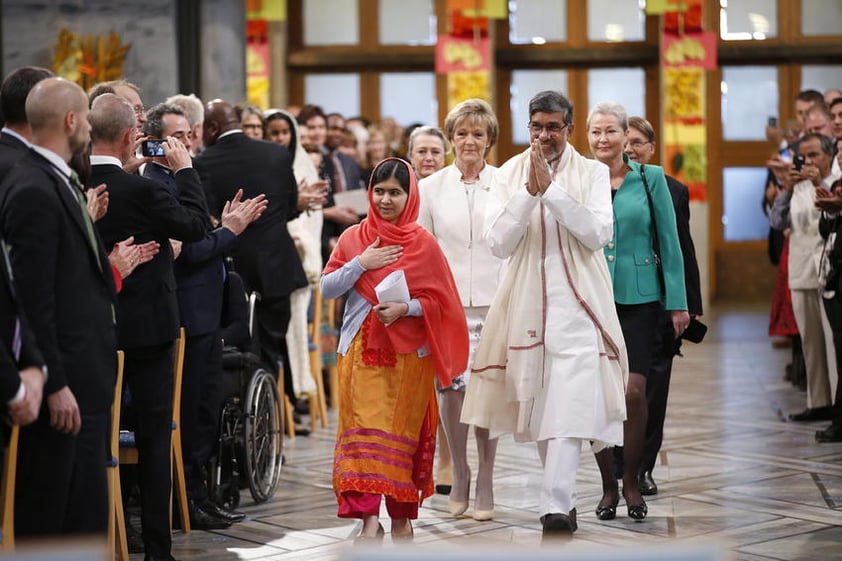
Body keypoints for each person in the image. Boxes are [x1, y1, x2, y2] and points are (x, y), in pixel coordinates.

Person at [461, 90, 628, 538]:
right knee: (536, 410)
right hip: (524, 303)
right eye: (537, 127)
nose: (545, 135)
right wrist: (527, 194)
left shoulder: (592, 172)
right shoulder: (510, 173)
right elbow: (497, 241)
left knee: (571, 406)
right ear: (528, 127)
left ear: (569, 130)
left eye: (554, 127)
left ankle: (554, 505)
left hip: (579, 306)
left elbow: (597, 233)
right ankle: (564, 500)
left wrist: (551, 193)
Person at [89, 93, 210, 561]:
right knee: (155, 437)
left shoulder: (76, 183)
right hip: (150, 329)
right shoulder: (145, 188)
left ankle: (104, 534)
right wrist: (183, 172)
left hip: (99, 327)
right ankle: (158, 548)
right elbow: (197, 225)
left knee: (99, 432)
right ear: (128, 137)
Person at [321, 158, 468, 543]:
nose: (386, 200)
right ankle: (368, 519)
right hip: (359, 354)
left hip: (409, 361)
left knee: (403, 435)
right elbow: (327, 288)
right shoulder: (354, 237)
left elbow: (443, 302)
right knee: (360, 433)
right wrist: (360, 263)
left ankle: (402, 516)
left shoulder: (424, 244)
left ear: (410, 196)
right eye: (379, 191)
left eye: (395, 193)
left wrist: (407, 308)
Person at [0, 77, 118, 537]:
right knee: (57, 517)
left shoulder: (54, 177)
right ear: (71, 120)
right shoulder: (32, 187)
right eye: (87, 119)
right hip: (65, 383)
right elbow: (32, 300)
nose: (90, 128)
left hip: (84, 375)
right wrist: (55, 381)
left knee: (85, 513)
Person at [143, 102, 265, 529]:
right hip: (186, 315)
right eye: (178, 136)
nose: (188, 142)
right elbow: (190, 250)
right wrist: (228, 231)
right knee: (193, 412)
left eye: (190, 135)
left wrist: (222, 226)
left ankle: (201, 495)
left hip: (205, 314)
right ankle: (187, 501)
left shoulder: (180, 179)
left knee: (206, 410)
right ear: (155, 142)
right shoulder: (158, 183)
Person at [586, 101, 689, 522]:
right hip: (590, 297)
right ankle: (608, 486)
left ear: (625, 135)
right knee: (597, 395)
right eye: (595, 132)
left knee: (632, 392)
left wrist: (679, 302)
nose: (603, 139)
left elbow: (670, 240)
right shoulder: (579, 179)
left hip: (640, 299)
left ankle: (631, 477)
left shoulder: (651, 179)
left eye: (611, 131)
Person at [417, 98, 502, 520]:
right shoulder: (431, 188)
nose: (470, 141)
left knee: (487, 391)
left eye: (478, 134)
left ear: (489, 141)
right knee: (451, 390)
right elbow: (424, 250)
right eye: (462, 133)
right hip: (447, 305)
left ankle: (486, 476)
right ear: (451, 139)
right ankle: (461, 471)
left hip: (494, 302)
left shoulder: (505, 183)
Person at [195, 101, 307, 409]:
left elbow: (207, 218)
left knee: (239, 347)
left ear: (212, 129)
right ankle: (268, 412)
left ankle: (241, 409)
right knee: (272, 348)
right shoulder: (276, 153)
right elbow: (291, 204)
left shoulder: (203, 162)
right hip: (277, 264)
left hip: (233, 269)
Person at [624, 116, 703, 495]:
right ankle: (621, 468)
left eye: (638, 142)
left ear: (652, 148)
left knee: (654, 388)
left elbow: (681, 249)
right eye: (625, 142)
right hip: (616, 301)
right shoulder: (598, 186)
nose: (630, 148)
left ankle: (644, 467)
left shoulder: (672, 189)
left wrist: (688, 303)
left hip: (657, 303)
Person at [770, 132, 840, 422]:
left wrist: (818, 184)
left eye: (815, 155)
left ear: (829, 156)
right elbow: (777, 221)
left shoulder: (835, 180)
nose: (809, 161)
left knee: (832, 340)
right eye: (805, 156)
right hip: (801, 268)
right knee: (810, 341)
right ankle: (818, 401)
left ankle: (838, 406)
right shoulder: (796, 186)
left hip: (830, 271)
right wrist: (787, 187)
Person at [264, 108, 328, 415]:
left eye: (283, 132)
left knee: (297, 329)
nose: (279, 138)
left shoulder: (302, 163)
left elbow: (312, 216)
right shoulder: (261, 163)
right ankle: (282, 404)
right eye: (273, 132)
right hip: (274, 257)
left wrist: (301, 233)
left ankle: (296, 396)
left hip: (300, 260)